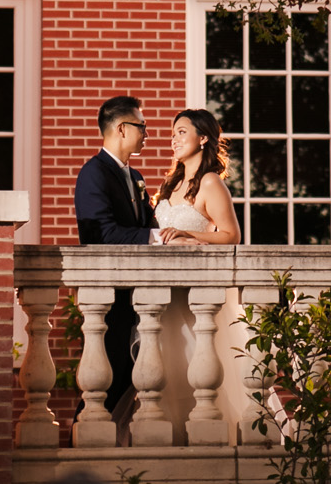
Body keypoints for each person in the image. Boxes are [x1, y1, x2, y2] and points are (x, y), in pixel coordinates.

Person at [73, 96, 160, 424]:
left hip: (140, 298)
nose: (147, 134)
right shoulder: (93, 174)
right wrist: (156, 239)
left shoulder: (136, 176)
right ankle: (76, 452)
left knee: (130, 383)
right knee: (105, 387)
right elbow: (103, 236)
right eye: (142, 126)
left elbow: (148, 223)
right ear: (122, 129)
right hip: (109, 299)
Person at [150, 108, 241, 247]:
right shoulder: (171, 183)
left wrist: (187, 234)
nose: (175, 140)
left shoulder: (210, 182)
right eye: (173, 135)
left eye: (182, 132)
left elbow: (232, 236)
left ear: (203, 138)